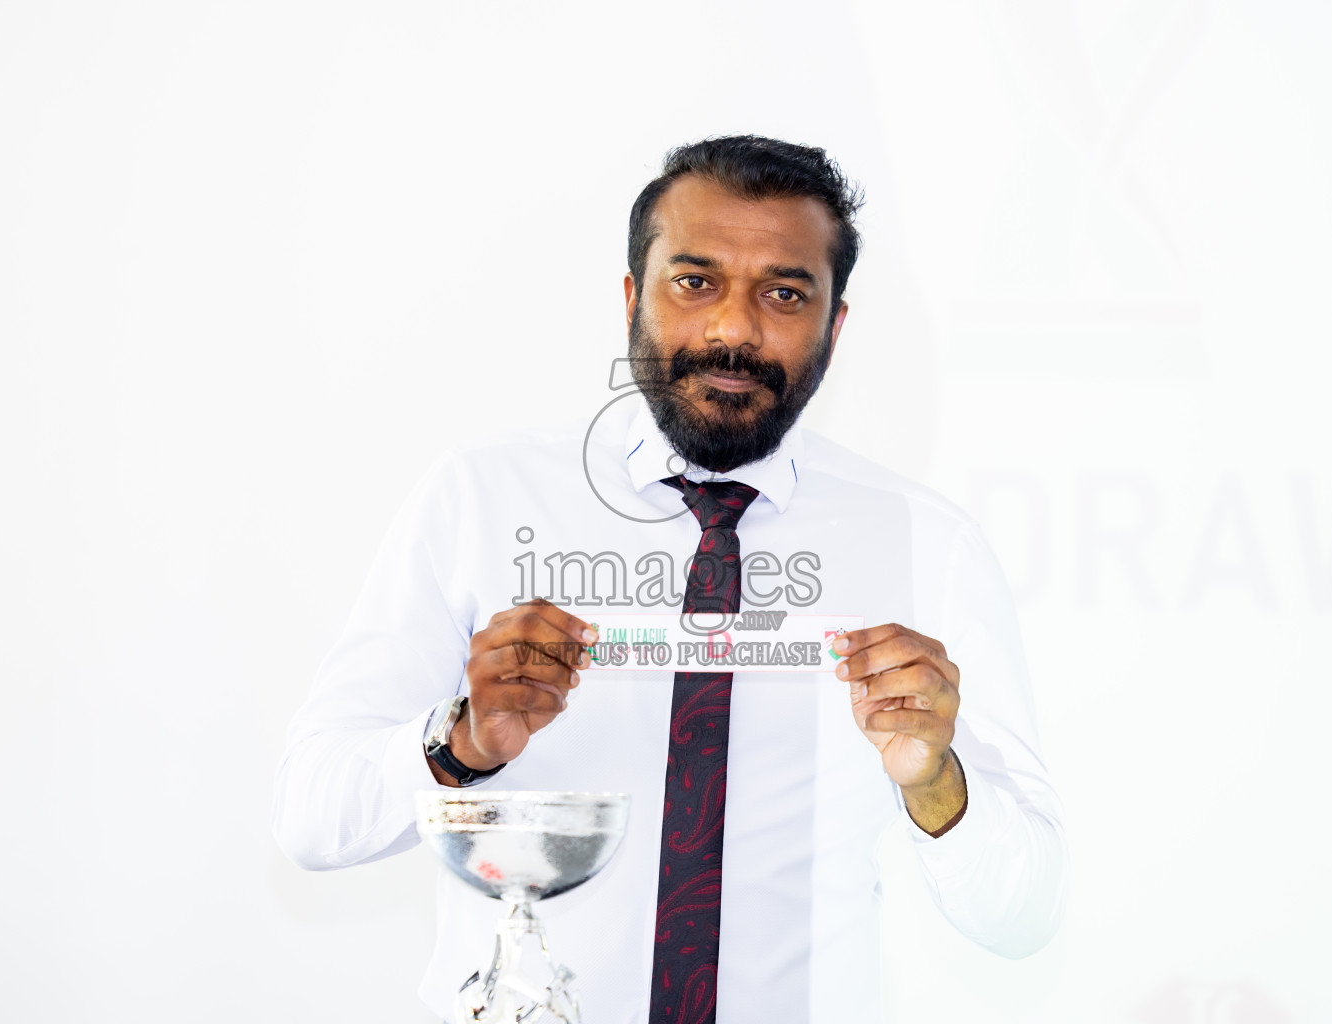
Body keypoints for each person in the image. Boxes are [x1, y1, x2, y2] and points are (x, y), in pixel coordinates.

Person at [272, 135, 1068, 1024]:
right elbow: (311, 818)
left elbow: (1025, 914)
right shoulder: (482, 499)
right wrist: (460, 744)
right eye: (695, 282)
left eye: (784, 293)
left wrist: (935, 784)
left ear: (836, 327)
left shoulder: (929, 546)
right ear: (630, 300)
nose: (733, 328)